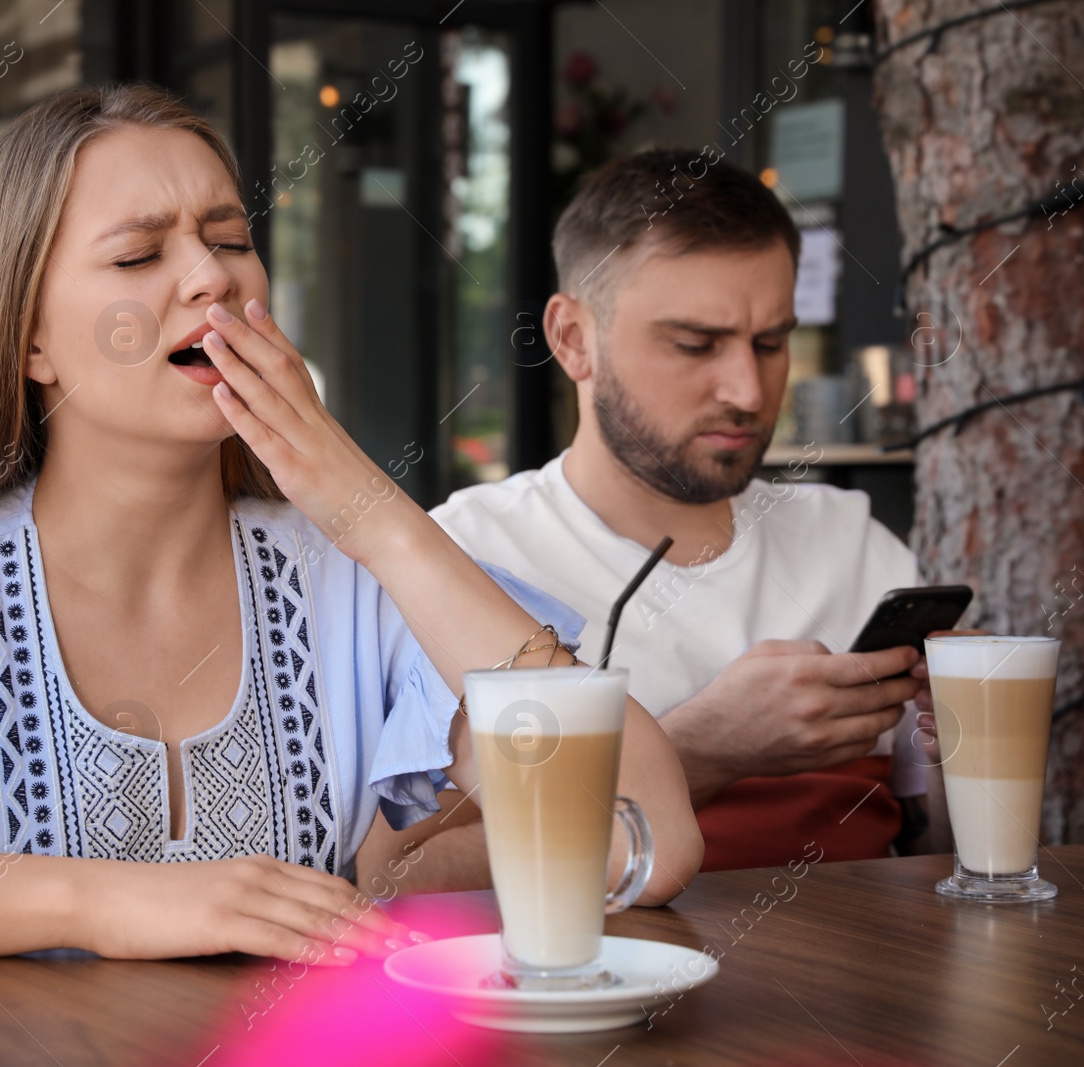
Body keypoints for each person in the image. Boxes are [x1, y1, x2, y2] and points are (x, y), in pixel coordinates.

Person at [0, 86, 701, 967]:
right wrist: (107, 898)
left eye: (229, 238)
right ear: (28, 339)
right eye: (139, 255)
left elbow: (641, 836)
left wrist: (376, 518)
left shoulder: (359, 587)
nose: (210, 276)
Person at [357, 148, 938, 885]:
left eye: (771, 343)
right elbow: (397, 878)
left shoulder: (852, 543)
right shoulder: (465, 561)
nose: (749, 391)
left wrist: (964, 741)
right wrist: (701, 747)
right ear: (572, 339)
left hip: (872, 984)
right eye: (695, 344)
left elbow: (932, 851)